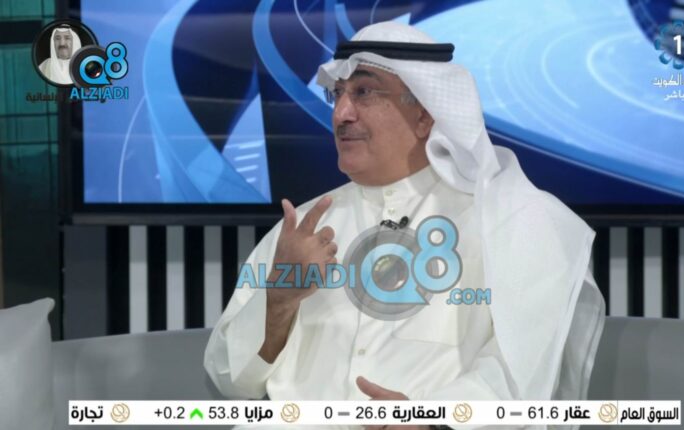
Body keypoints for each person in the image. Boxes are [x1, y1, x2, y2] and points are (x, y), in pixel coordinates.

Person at [204, 21, 605, 430]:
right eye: (338, 93)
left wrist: (431, 420)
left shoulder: (516, 221)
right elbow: (230, 380)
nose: (341, 114)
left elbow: (520, 374)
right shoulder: (301, 228)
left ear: (426, 114)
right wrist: (279, 298)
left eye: (364, 92)